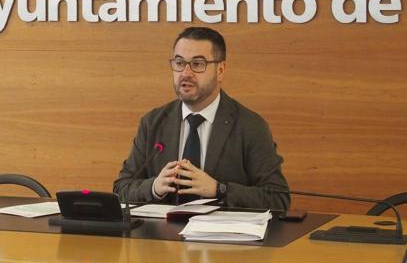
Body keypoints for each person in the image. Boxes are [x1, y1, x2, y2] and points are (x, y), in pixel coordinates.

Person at [113, 27, 290, 210]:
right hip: (161, 236)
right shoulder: (153, 123)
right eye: (180, 63)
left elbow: (278, 199)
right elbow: (121, 188)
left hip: (221, 236)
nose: (186, 73)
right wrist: (154, 187)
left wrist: (219, 190)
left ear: (220, 70)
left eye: (197, 64)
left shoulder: (250, 126)